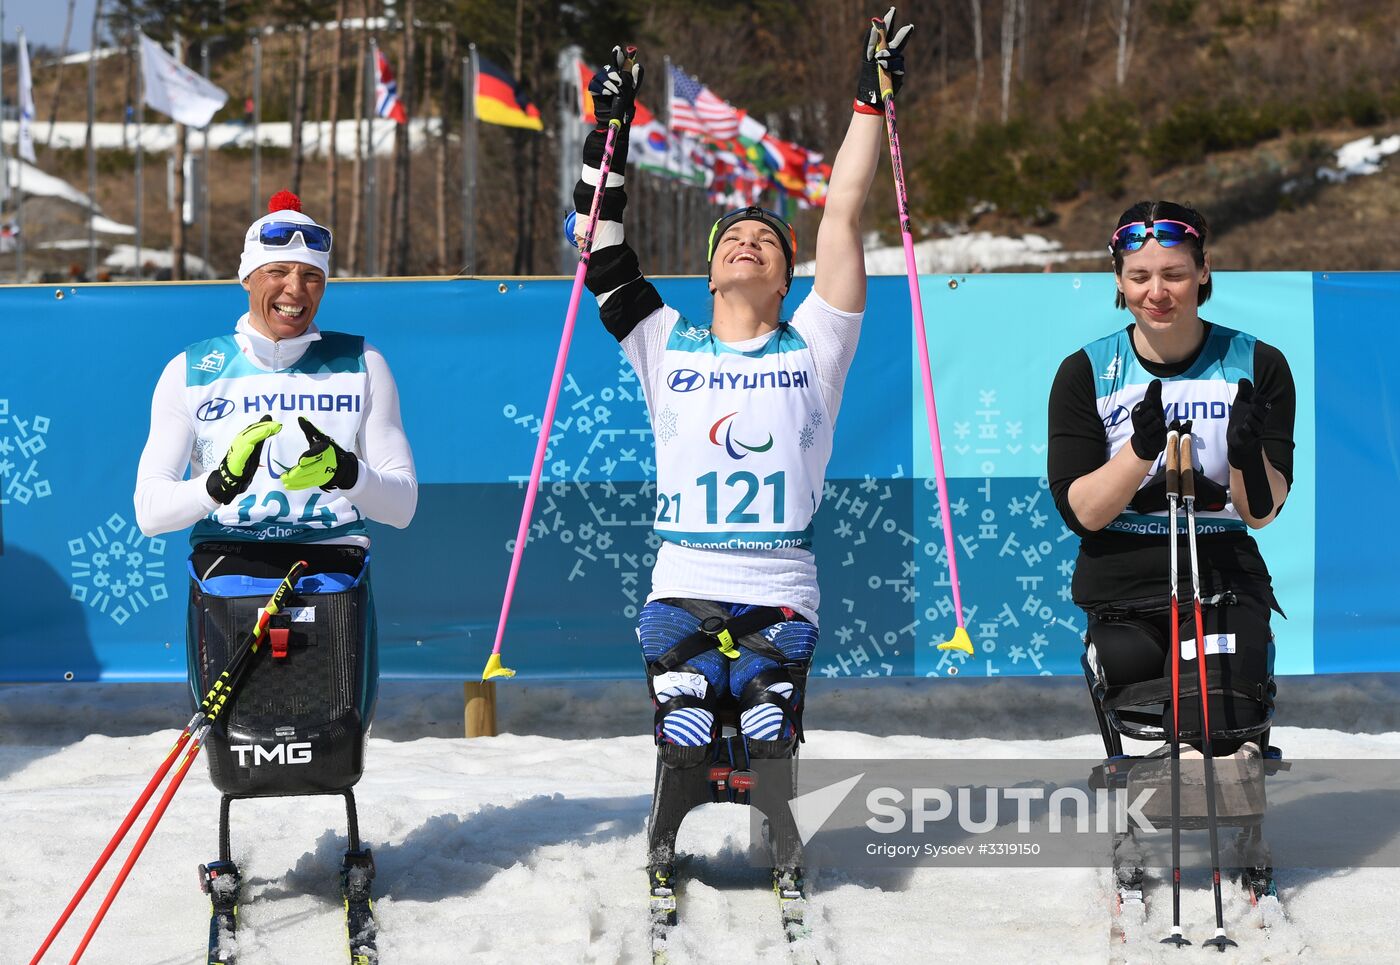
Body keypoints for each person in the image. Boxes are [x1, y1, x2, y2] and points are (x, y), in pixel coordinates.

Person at [571, 9, 911, 932]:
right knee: (685, 727)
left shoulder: (818, 345)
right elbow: (596, 241)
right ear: (709, 269)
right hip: (682, 576)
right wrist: (609, 127)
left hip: (780, 582)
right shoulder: (662, 342)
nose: (748, 241)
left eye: (767, 239)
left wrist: (869, 104)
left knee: (765, 731)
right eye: (732, 238)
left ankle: (773, 791)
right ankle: (674, 790)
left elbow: (842, 210)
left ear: (789, 273)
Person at [133, 189, 415, 957]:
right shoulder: (194, 370)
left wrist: (348, 471)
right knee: (238, 742)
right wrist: (215, 487)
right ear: (249, 275)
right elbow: (150, 508)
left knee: (333, 731)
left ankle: (347, 835)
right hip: (233, 569)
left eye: (313, 276)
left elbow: (403, 503)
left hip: (331, 571)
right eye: (280, 271)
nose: (296, 289)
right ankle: (229, 844)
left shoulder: (361, 362)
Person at [1048, 200, 1295, 759]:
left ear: (1203, 272)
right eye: (1139, 277)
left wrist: (1243, 452)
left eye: (1174, 274)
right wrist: (1139, 450)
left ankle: (1229, 794)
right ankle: (1156, 805)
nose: (1156, 292)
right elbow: (1081, 512)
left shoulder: (1258, 364)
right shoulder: (1086, 371)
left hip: (1221, 573)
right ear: (1118, 279)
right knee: (1142, 686)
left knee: (1217, 721)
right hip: (1123, 583)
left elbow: (1261, 511)